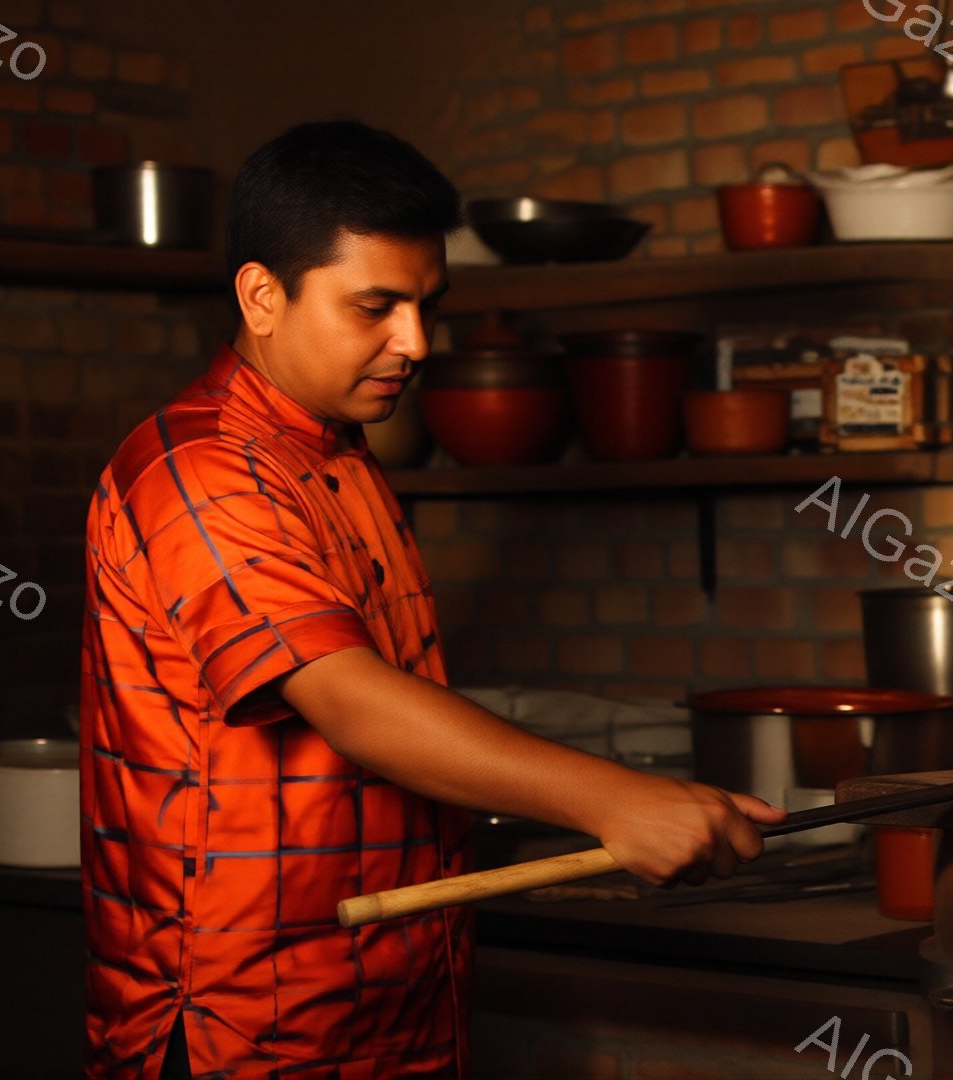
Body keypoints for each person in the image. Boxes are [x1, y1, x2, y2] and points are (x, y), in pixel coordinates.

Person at [77, 120, 786, 1078]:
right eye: (376, 307)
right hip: (244, 1028)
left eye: (425, 306)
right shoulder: (197, 469)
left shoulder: (337, 455)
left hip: (398, 1001)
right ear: (261, 296)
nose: (416, 342)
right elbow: (353, 701)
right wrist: (619, 801)